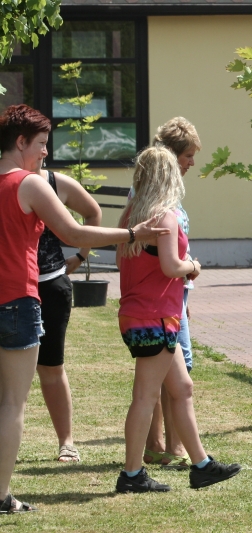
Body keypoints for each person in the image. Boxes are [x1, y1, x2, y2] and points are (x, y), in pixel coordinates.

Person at [0, 104, 167, 514]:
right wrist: (133, 233)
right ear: (20, 142)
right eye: (41, 144)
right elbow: (73, 232)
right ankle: (1, 496)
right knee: (12, 404)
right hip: (18, 301)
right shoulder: (29, 184)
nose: (45, 152)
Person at [115, 146, 241, 493]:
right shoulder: (165, 217)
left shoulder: (131, 217)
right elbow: (172, 266)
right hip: (155, 316)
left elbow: (125, 261)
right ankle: (131, 475)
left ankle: (202, 465)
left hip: (139, 314)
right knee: (145, 396)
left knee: (182, 388)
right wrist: (193, 266)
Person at [142, 117, 202, 469]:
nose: (192, 163)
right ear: (172, 154)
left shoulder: (160, 193)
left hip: (173, 295)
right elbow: (166, 260)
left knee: (161, 372)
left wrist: (184, 293)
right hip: (162, 298)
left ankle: (161, 445)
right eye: (188, 155)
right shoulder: (159, 199)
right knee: (172, 371)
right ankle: (171, 447)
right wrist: (190, 268)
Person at [34, 160, 102, 464]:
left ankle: (67, 442)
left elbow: (92, 212)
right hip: (11, 287)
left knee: (51, 366)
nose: (44, 151)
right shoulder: (7, 181)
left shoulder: (55, 182)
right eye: (39, 142)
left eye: (45, 143)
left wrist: (81, 256)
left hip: (50, 284)